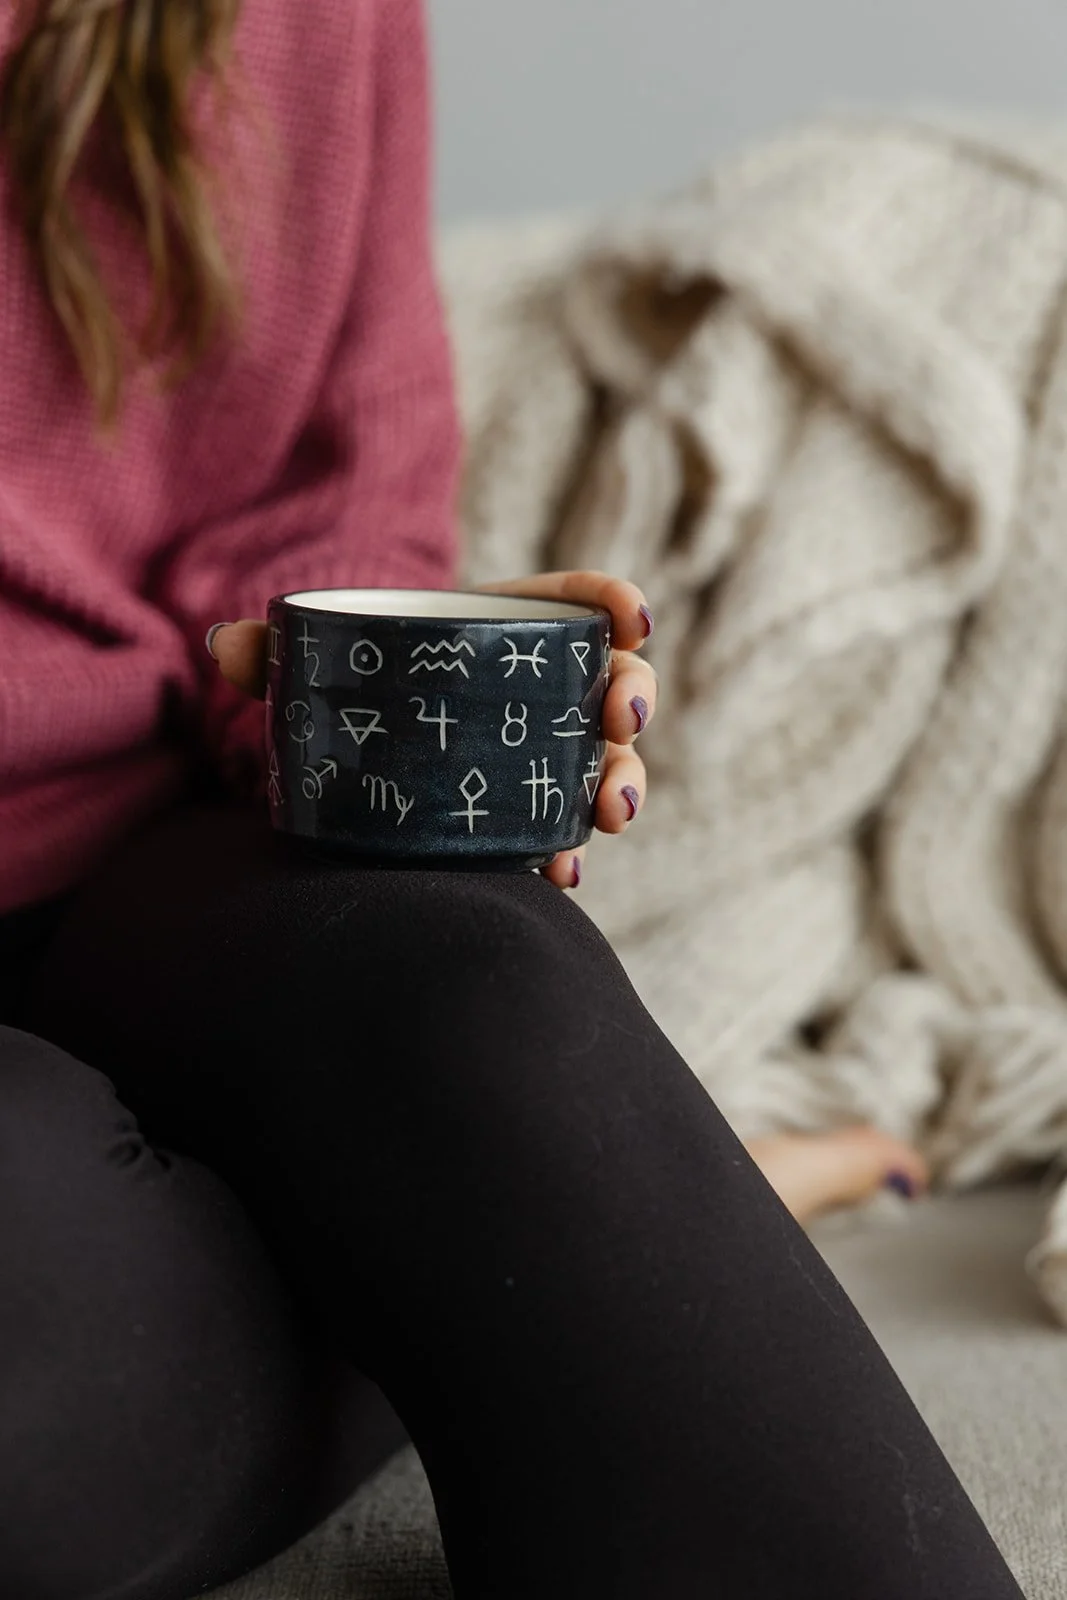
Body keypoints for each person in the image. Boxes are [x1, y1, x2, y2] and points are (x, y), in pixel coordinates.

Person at [0, 1, 1025, 1596]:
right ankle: (604, 1230)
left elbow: (304, 534)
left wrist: (370, 694)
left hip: (127, 843)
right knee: (48, 1349)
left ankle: (562, 1222)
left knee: (488, 1007)